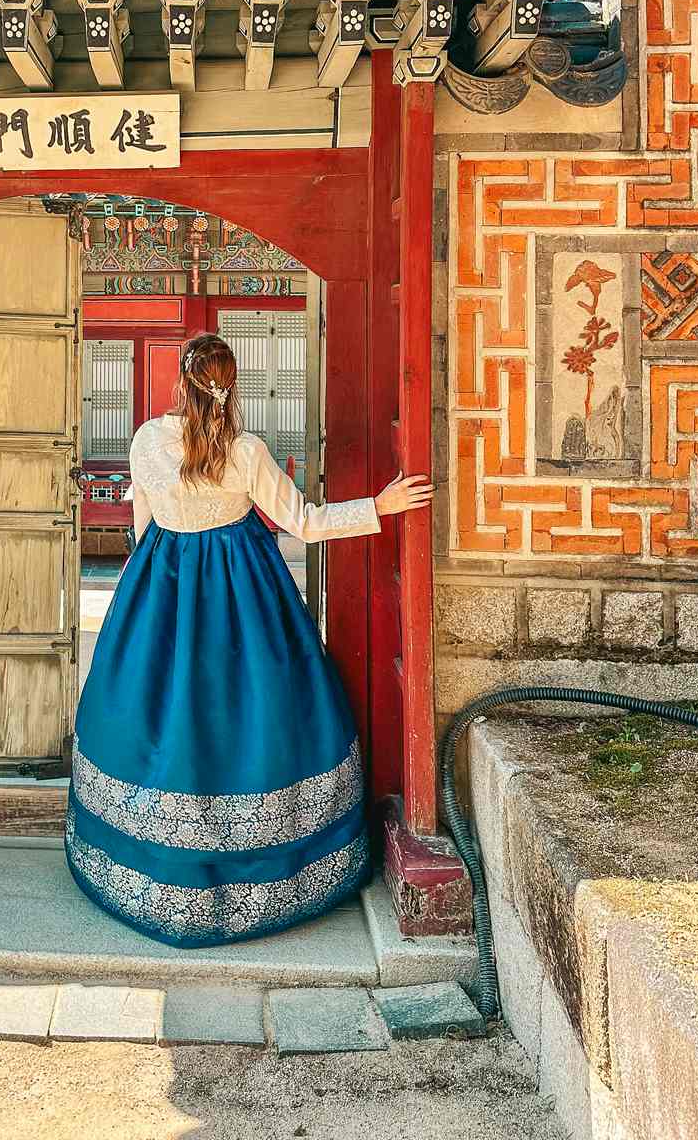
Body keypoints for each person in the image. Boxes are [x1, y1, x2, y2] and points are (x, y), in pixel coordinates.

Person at [65, 332, 433, 948]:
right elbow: (306, 524)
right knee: (253, 709)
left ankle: (146, 863)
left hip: (161, 586)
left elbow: (142, 525)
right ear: (231, 386)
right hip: (244, 598)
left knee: (158, 706)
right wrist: (380, 504)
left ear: (180, 384)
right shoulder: (247, 452)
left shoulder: (148, 440)